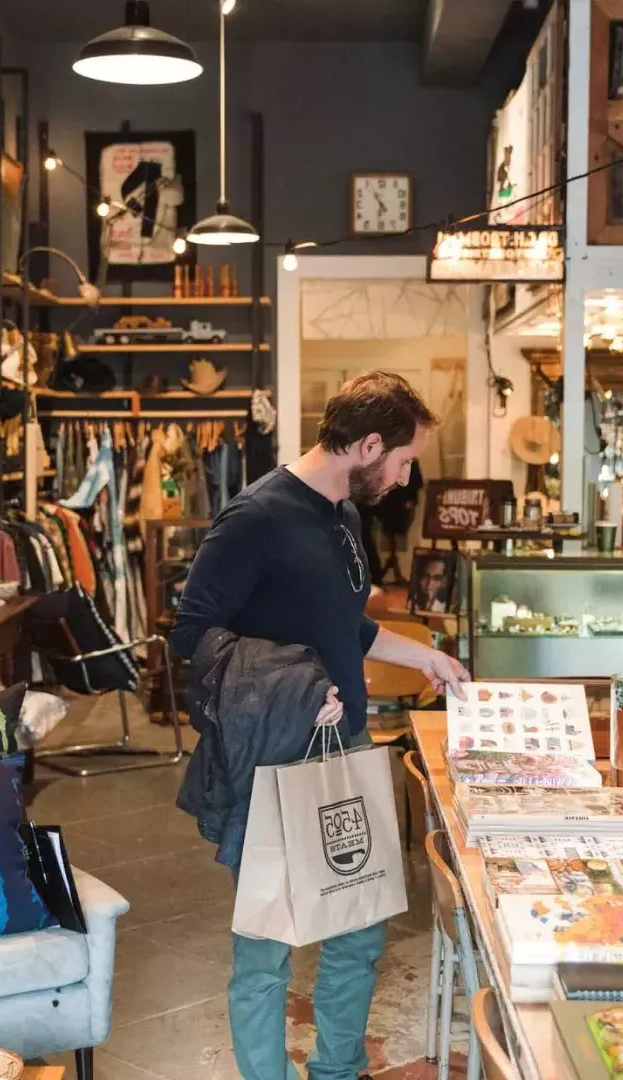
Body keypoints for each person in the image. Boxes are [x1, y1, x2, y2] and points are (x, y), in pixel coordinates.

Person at [171, 371, 468, 1080]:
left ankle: (336, 1071)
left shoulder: (344, 512)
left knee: (360, 928)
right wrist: (296, 689)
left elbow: (341, 623)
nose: (403, 480)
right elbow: (191, 635)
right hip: (274, 756)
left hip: (345, 748)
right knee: (267, 945)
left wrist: (422, 654)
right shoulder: (257, 518)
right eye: (401, 462)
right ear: (367, 445)